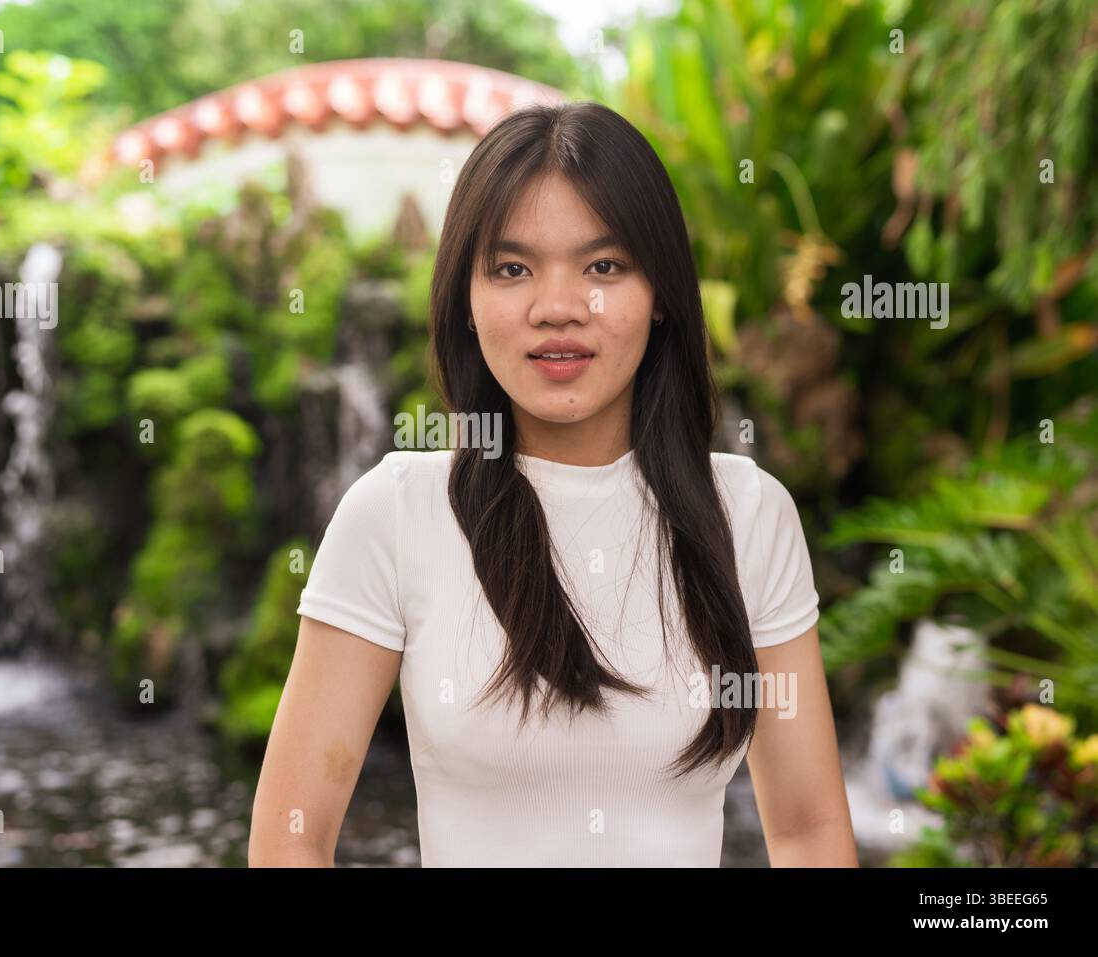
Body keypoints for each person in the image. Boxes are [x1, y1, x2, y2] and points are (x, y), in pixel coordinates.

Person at [249, 100, 857, 867]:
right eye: (512, 269)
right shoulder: (395, 512)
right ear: (465, 299)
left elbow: (808, 833)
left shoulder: (749, 515)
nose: (560, 308)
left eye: (604, 266)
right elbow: (290, 838)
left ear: (661, 292)